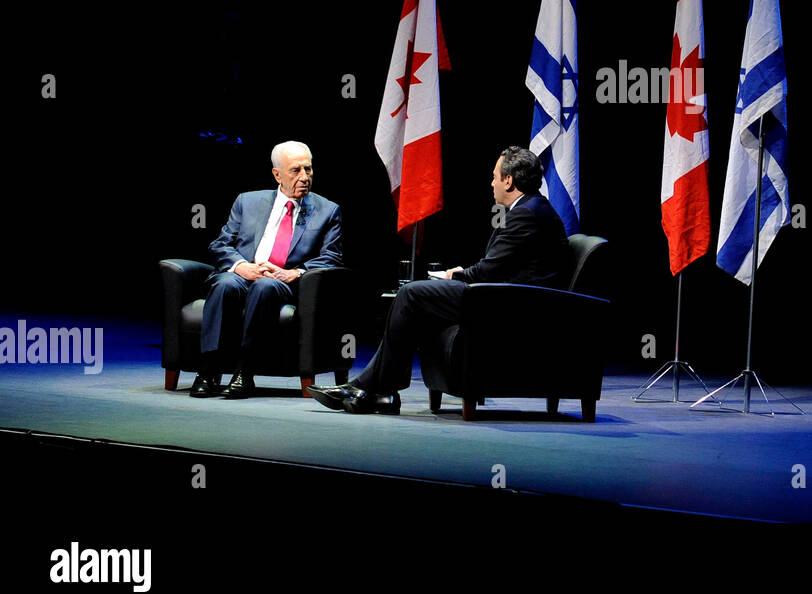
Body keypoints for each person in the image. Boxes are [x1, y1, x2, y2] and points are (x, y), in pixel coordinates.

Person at [309, 146, 568, 414]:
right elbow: (501, 266)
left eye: (494, 176)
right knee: (415, 298)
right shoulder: (530, 208)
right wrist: (462, 273)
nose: (491, 182)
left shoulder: (526, 213)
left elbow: (488, 272)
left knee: (412, 294)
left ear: (508, 180)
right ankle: (377, 391)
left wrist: (455, 274)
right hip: (501, 296)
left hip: (511, 307)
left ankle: (376, 390)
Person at [191, 140, 343, 398]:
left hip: (282, 282)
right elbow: (220, 244)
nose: (305, 177)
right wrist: (241, 266)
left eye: (309, 169)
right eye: (296, 171)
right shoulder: (247, 202)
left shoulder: (327, 211)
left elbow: (332, 257)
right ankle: (208, 369)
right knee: (225, 284)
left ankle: (244, 372)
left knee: (265, 286)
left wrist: (294, 273)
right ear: (277, 174)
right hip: (244, 273)